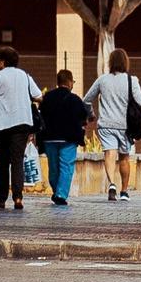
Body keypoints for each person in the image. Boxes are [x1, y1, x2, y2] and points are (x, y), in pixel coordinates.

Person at [0, 46, 42, 210]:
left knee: (3, 161)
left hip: (2, 126)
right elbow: (38, 96)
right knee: (17, 161)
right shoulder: (25, 76)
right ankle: (18, 197)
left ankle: (1, 198)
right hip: (22, 125)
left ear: (2, 62)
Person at [84, 48, 141, 201]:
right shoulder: (132, 80)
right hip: (125, 126)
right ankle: (124, 191)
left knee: (109, 153)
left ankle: (112, 184)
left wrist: (91, 114)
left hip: (106, 124)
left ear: (110, 62)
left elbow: (86, 99)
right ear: (126, 62)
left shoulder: (102, 80)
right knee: (124, 157)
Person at [39, 70, 89, 206]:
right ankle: (60, 194)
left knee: (53, 167)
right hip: (69, 139)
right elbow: (83, 117)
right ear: (69, 81)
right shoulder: (74, 99)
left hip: (49, 138)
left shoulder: (47, 97)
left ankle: (56, 191)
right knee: (66, 166)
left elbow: (41, 115)